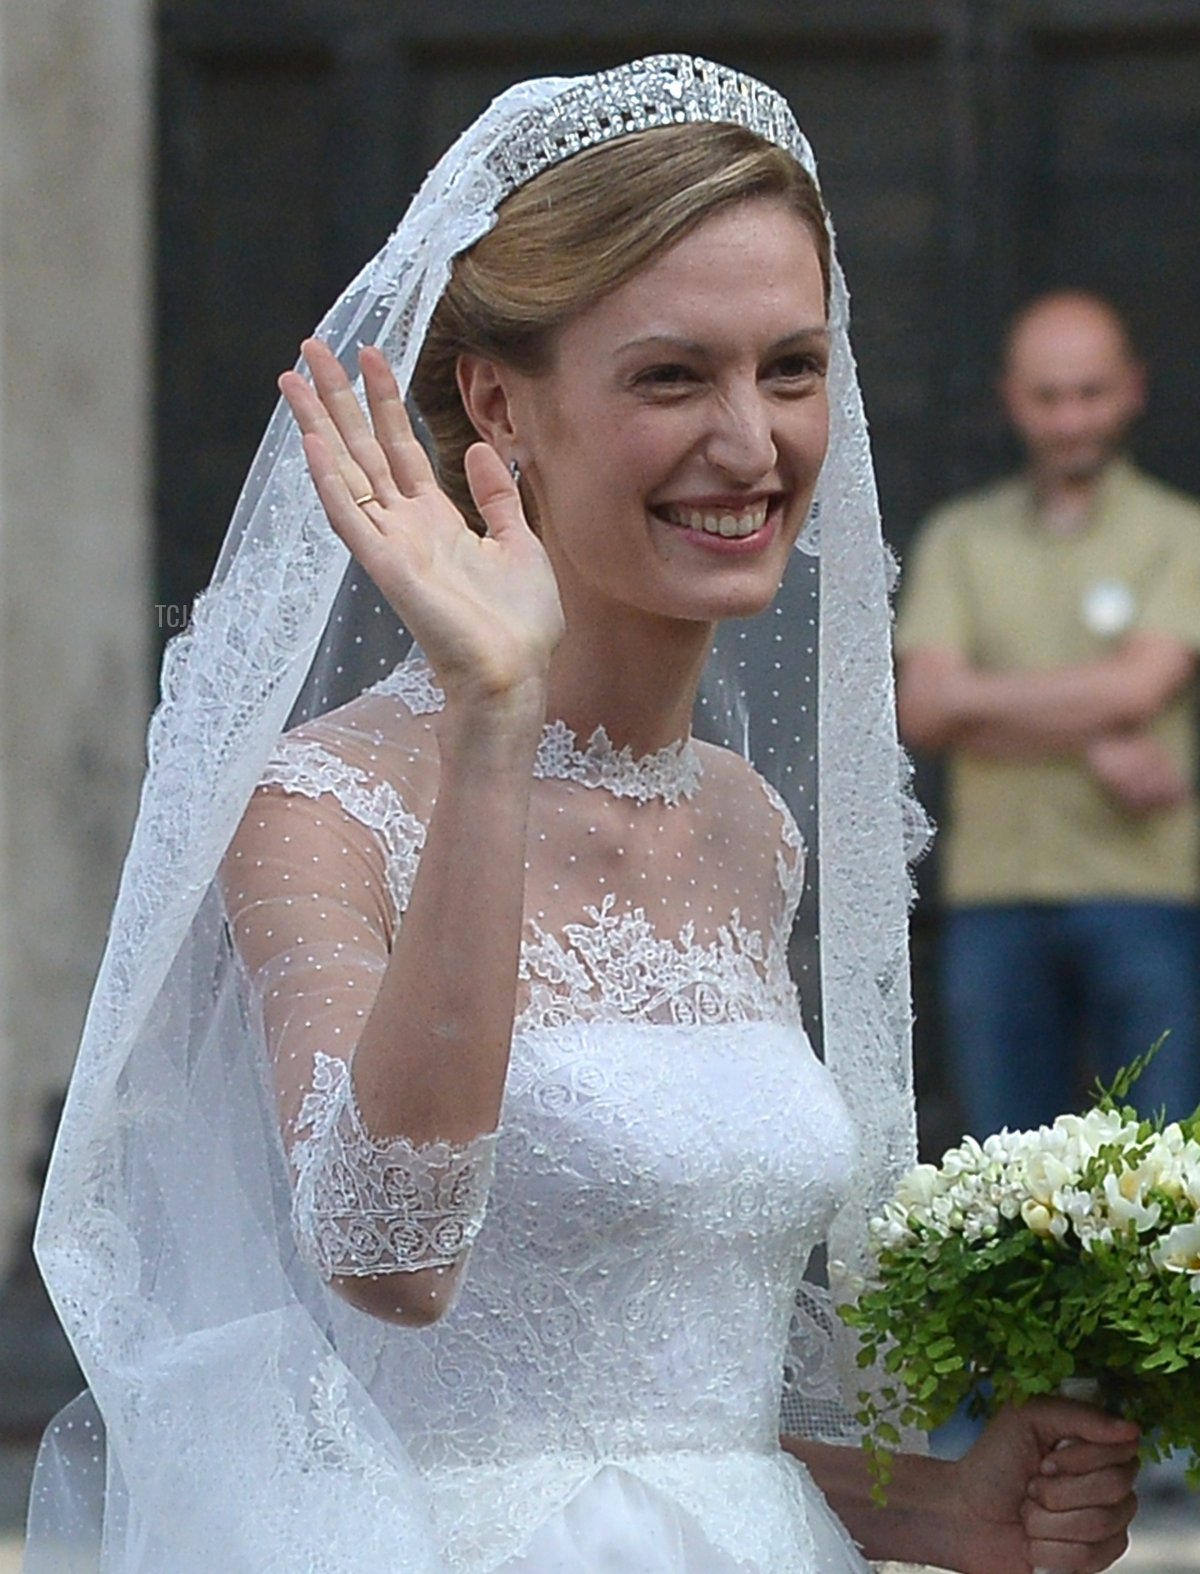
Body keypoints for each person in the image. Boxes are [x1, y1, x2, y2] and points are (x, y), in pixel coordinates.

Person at [25, 60, 1139, 1573]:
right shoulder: (320, 809)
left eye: (794, 368)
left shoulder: (754, 827)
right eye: (673, 377)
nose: (751, 445)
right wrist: (493, 720)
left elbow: (668, 1406)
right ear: (498, 401)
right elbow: (391, 1256)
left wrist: (947, 1506)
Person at [897, 290, 1200, 1137]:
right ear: (1010, 398)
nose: (1070, 419)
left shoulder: (1182, 533)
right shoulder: (961, 539)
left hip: (1144, 892)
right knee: (1000, 1182)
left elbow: (1140, 689)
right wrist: (1096, 722)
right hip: (998, 896)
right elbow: (923, 708)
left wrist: (982, 704)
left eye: (1090, 393)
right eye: (1048, 396)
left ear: (1133, 389)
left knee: (1165, 1181)